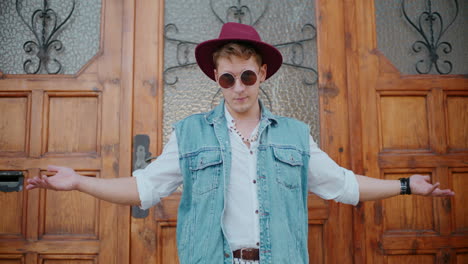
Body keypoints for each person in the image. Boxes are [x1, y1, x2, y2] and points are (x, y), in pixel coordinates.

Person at [26, 22, 455, 264]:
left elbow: (343, 186)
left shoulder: (293, 135)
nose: (238, 88)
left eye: (247, 76)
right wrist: (80, 182)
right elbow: (143, 188)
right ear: (217, 79)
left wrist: (404, 186)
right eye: (228, 78)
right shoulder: (190, 133)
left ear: (262, 74)